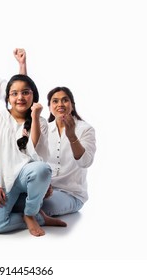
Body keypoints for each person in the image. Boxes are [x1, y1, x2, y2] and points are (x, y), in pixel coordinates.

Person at [0, 74, 66, 237]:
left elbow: (36, 152)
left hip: (27, 177)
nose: (20, 97)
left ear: (33, 95)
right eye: (14, 93)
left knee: (41, 169)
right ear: (8, 97)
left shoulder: (40, 121)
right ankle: (41, 218)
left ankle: (30, 213)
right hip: (4, 180)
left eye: (25, 92)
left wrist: (34, 117)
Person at [42, 86, 96, 216]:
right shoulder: (44, 129)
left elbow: (85, 162)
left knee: (43, 206)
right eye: (55, 101)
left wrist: (72, 136)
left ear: (72, 105)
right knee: (25, 203)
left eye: (65, 100)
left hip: (71, 194)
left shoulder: (85, 129)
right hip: (44, 190)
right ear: (49, 107)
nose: (60, 104)